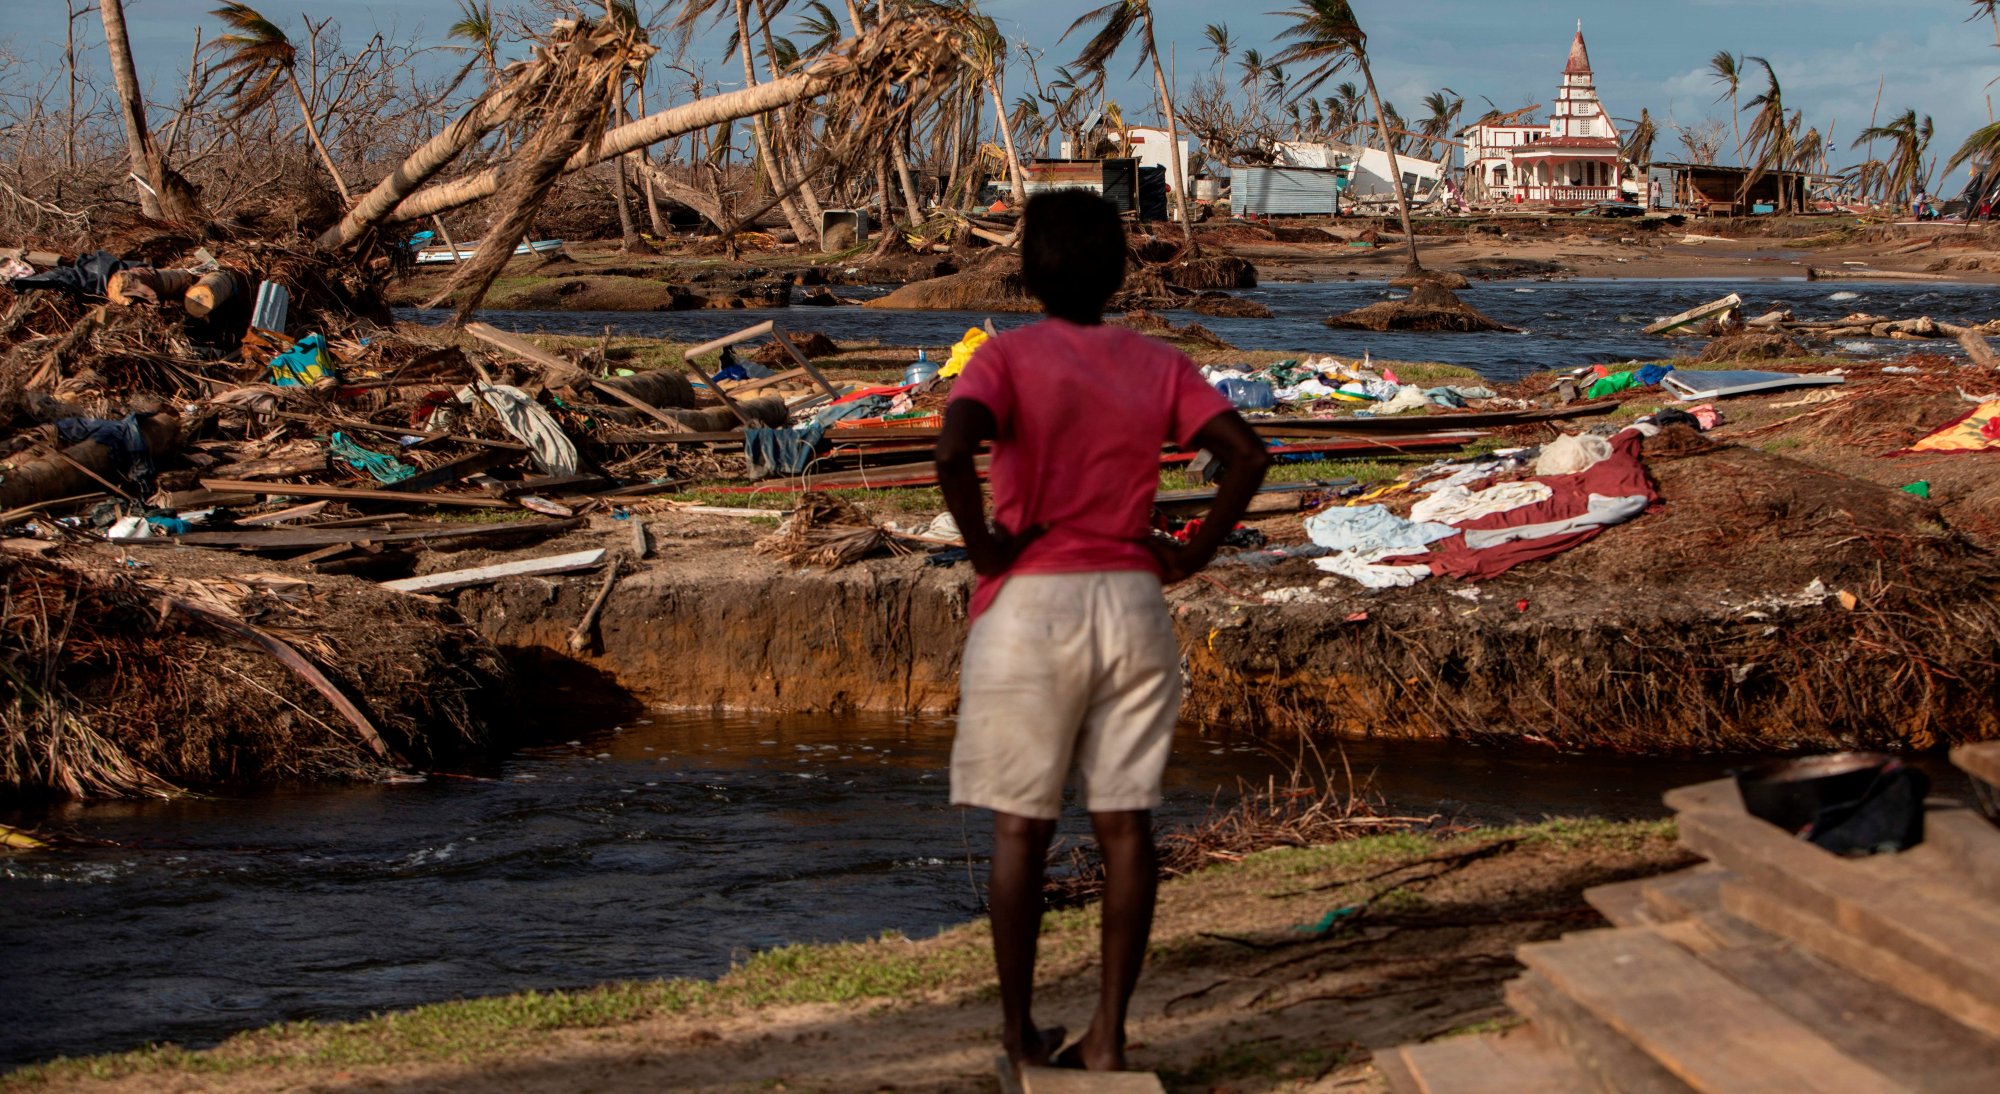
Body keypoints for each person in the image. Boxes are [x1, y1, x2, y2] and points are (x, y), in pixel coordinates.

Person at [933, 190, 1270, 1074]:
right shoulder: (1156, 364)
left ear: (1029, 270)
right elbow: (1247, 455)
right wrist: (1191, 555)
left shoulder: (1004, 360)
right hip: (1129, 601)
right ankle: (1109, 1038)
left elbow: (950, 451)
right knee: (1125, 827)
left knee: (1021, 829)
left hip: (1028, 606)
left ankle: (1018, 1035)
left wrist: (986, 546)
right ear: (1121, 270)